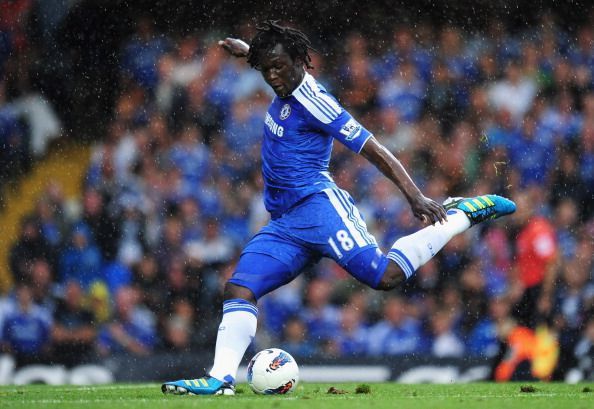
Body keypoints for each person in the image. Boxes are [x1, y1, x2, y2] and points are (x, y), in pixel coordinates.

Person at [162, 20, 516, 396]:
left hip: (319, 209)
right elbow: (272, 59)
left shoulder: (316, 102)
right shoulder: (279, 76)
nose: (273, 76)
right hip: (286, 223)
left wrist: (415, 196)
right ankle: (221, 379)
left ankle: (458, 214)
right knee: (239, 287)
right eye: (266, 69)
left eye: (279, 67)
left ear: (301, 61)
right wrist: (247, 50)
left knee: (384, 277)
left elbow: (374, 148)